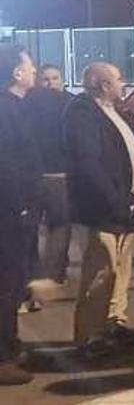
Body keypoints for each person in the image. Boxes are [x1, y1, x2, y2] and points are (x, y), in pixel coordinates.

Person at [66, 62, 134, 359]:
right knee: (101, 271)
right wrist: (114, 199)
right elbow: (89, 163)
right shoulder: (82, 113)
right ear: (103, 85)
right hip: (101, 208)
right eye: (118, 78)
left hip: (125, 207)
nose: (123, 83)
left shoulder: (117, 111)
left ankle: (115, 322)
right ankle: (89, 336)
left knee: (121, 272)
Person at [0, 46, 39, 384]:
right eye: (29, 66)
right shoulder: (5, 110)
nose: (34, 70)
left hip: (14, 209)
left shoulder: (17, 107)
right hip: (8, 212)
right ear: (16, 73)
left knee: (12, 285)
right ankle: (4, 358)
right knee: (6, 284)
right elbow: (8, 163)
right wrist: (22, 204)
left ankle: (11, 346)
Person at [24, 65, 74, 301]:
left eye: (54, 78)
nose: (50, 83)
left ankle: (47, 272)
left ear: (62, 80)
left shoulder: (26, 103)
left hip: (56, 174)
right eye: (45, 79)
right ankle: (49, 274)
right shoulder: (29, 105)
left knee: (55, 225)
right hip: (42, 175)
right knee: (55, 226)